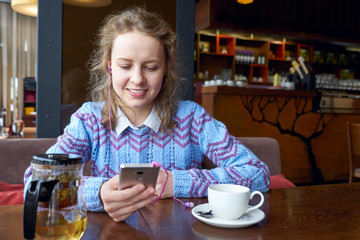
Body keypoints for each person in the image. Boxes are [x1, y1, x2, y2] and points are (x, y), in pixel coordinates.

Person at [24, 7, 270, 222]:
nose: (138, 78)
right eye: (125, 66)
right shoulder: (89, 119)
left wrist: (176, 182)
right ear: (109, 65)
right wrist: (97, 192)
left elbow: (257, 173)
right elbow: (33, 185)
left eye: (151, 67)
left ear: (165, 69)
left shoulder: (193, 118)